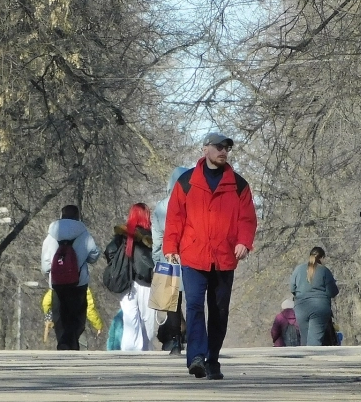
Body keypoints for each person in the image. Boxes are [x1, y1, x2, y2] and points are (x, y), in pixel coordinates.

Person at [164, 132, 258, 380]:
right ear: (205, 149)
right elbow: (175, 217)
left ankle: (213, 358)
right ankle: (196, 357)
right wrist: (171, 246)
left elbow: (247, 219)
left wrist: (244, 243)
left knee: (219, 311)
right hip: (194, 255)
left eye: (227, 147)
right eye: (219, 147)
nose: (223, 151)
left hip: (224, 257)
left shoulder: (239, 185)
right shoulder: (186, 182)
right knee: (194, 305)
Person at [41, 205, 101, 350]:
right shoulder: (84, 234)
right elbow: (94, 254)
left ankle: (63, 342)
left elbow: (45, 265)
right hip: (78, 283)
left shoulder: (51, 235)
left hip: (57, 283)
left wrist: (53, 274)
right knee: (77, 314)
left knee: (60, 314)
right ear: (77, 216)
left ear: (61, 216)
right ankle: (70, 342)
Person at [103, 203, 156, 351]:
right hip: (146, 283)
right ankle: (145, 351)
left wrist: (119, 264)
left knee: (130, 321)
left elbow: (109, 251)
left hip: (125, 282)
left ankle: (129, 352)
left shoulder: (121, 235)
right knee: (147, 321)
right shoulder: (149, 236)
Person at [153, 167, 188, 355]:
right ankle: (195, 337)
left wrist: (156, 261)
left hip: (168, 258)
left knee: (172, 304)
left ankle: (174, 341)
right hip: (191, 257)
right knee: (194, 301)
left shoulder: (160, 207)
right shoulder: (194, 202)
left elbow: (157, 239)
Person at [289, 246, 340, 346]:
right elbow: (332, 292)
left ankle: (305, 360)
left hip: (301, 307)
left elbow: (292, 288)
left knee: (304, 339)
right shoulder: (324, 271)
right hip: (320, 308)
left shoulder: (298, 269)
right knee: (315, 340)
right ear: (322, 258)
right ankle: (313, 360)